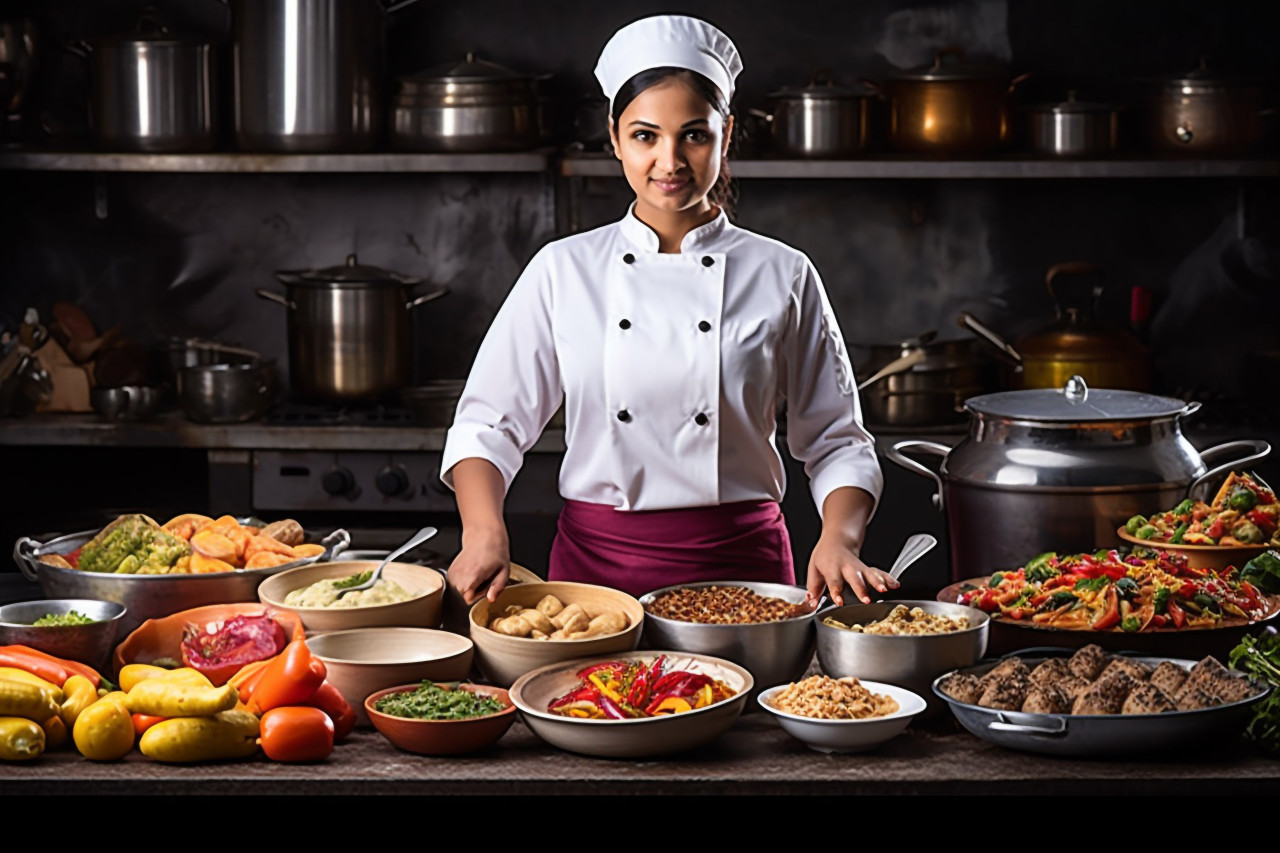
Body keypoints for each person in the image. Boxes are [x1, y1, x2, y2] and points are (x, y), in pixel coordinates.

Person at [441, 14, 895, 608]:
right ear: (614, 138)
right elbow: (489, 423)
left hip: (744, 573)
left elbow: (837, 439)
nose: (670, 161)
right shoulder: (564, 268)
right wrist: (483, 531)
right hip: (592, 580)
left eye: (694, 135)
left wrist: (840, 537)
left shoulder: (782, 272)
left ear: (726, 135)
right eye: (645, 136)